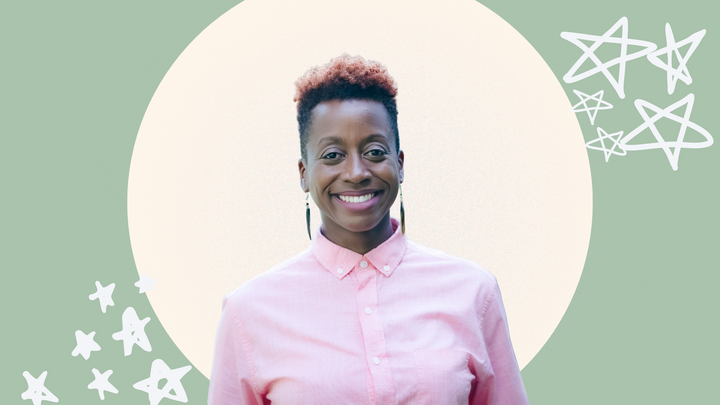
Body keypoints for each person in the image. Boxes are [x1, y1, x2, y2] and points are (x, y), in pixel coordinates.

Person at [208, 54, 529, 405]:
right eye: (332, 155)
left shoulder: (473, 292)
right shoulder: (248, 312)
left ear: (399, 163)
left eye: (375, 151)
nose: (357, 172)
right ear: (303, 173)